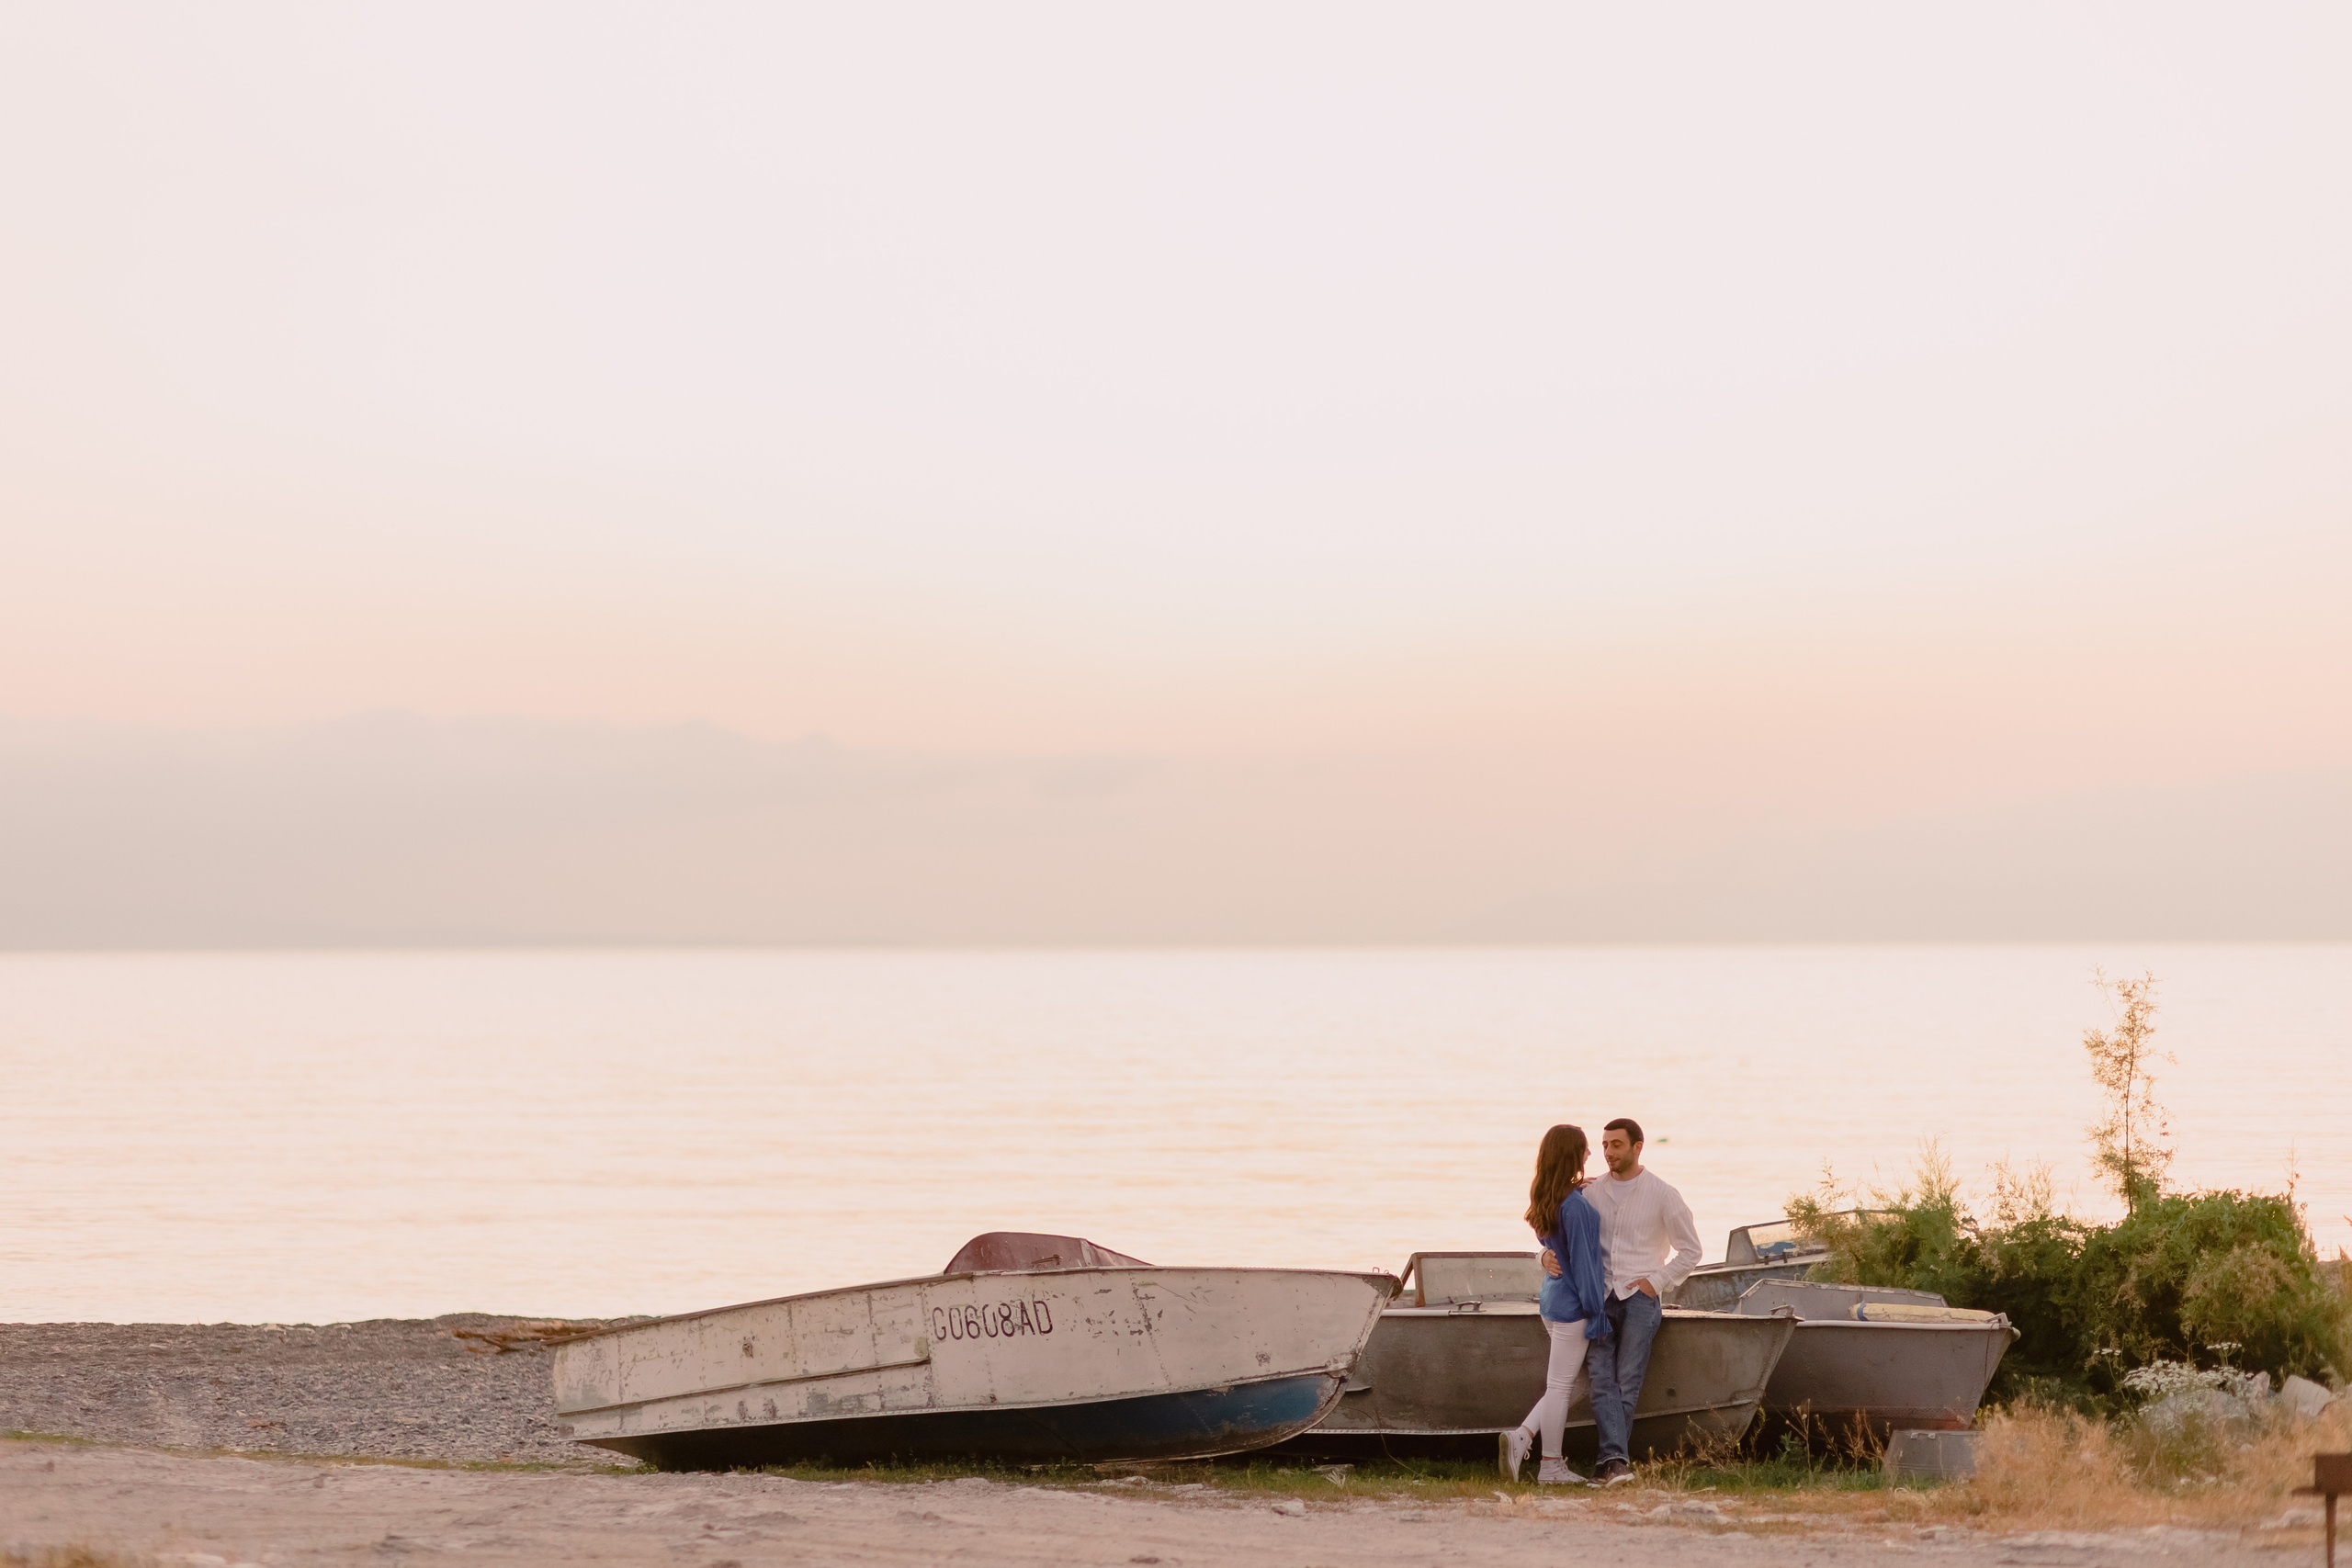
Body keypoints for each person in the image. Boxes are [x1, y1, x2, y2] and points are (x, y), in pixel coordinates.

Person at [1541, 1116, 1701, 1484]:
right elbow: (1553, 1228)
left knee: (1627, 1381)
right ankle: (1614, 1463)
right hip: (1597, 1299)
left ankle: (1608, 1463)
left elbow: (1691, 1250)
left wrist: (1656, 1281)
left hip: (1640, 1298)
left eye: (1617, 1145)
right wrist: (1541, 1258)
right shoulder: (1589, 1192)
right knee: (1601, 1378)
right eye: (1605, 1145)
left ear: (1637, 1147)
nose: (1608, 1152)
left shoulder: (1664, 1194)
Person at [1499, 1123, 1611, 1486]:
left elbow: (1553, 1244)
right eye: (1585, 1148)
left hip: (1551, 1301)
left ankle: (1523, 1436)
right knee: (1563, 1387)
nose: (1590, 1154)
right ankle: (1550, 1466)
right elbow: (1584, 1265)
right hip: (1573, 1308)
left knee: (1572, 1384)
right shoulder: (1575, 1206)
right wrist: (1597, 1313)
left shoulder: (1549, 1195)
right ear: (1571, 1154)